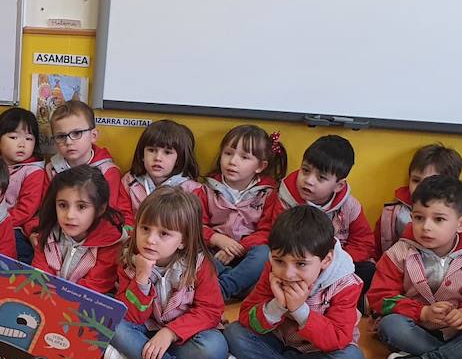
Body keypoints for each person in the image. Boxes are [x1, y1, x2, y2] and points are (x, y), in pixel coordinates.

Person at [223, 206, 365, 359]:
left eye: (301, 264)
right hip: (276, 340)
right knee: (233, 333)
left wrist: (300, 310)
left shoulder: (346, 283)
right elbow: (246, 317)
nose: (288, 274)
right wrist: (277, 306)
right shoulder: (271, 271)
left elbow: (339, 337)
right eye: (279, 261)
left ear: (326, 260)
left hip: (317, 353)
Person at [367, 175, 462, 359]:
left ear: (461, 224)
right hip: (415, 329)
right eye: (419, 218)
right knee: (390, 326)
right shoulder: (398, 253)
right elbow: (381, 298)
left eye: (438, 219)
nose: (426, 227)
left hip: (458, 332)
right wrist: (422, 312)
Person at [101, 188, 229, 359]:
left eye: (164, 234)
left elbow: (211, 310)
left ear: (184, 241)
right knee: (110, 320)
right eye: (145, 228)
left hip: (182, 335)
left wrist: (169, 333)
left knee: (214, 348)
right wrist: (141, 278)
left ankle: (135, 355)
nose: (150, 240)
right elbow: (131, 316)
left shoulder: (199, 265)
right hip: (144, 327)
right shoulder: (129, 258)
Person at [249, 135, 376, 295]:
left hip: (333, 264)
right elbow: (278, 240)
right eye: (305, 170)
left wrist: (335, 262)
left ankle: (336, 302)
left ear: (338, 185)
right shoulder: (285, 200)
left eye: (321, 178)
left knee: (369, 271)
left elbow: (363, 243)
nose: (308, 180)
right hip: (295, 264)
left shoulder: (350, 207)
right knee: (264, 261)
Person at [203, 125, 286, 300]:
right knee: (194, 256)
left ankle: (223, 289)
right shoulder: (205, 189)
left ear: (260, 166)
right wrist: (216, 239)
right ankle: (231, 286)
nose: (233, 161)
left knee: (265, 255)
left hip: (247, 253)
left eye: (244, 157)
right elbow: (194, 224)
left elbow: (268, 231)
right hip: (214, 250)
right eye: (228, 153)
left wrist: (238, 247)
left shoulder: (269, 193)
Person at [375, 143, 462, 257]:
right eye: (416, 180)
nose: (421, 187)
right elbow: (379, 252)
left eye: (438, 219)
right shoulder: (393, 213)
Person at [30, 165, 125, 295]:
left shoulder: (111, 243)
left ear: (100, 209)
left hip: (86, 305)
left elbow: (94, 287)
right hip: (49, 300)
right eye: (63, 205)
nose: (69, 215)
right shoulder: (48, 233)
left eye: (81, 206)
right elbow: (39, 277)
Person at [45, 100, 134, 225]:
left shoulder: (108, 171)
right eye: (61, 136)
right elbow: (44, 210)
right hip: (60, 230)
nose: (68, 142)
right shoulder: (51, 169)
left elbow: (108, 212)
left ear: (93, 135)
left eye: (76, 133)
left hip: (97, 231)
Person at [0, 107, 46, 263]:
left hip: (15, 226)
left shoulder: (34, 172)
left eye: (29, 139)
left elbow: (25, 210)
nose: (22, 144)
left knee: (17, 247)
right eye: (14, 137)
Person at [122, 119, 204, 211]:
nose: (158, 158)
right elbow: (124, 215)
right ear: (142, 155)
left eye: (167, 152)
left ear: (178, 159)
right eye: (151, 150)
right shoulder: (128, 181)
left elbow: (195, 222)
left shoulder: (191, 190)